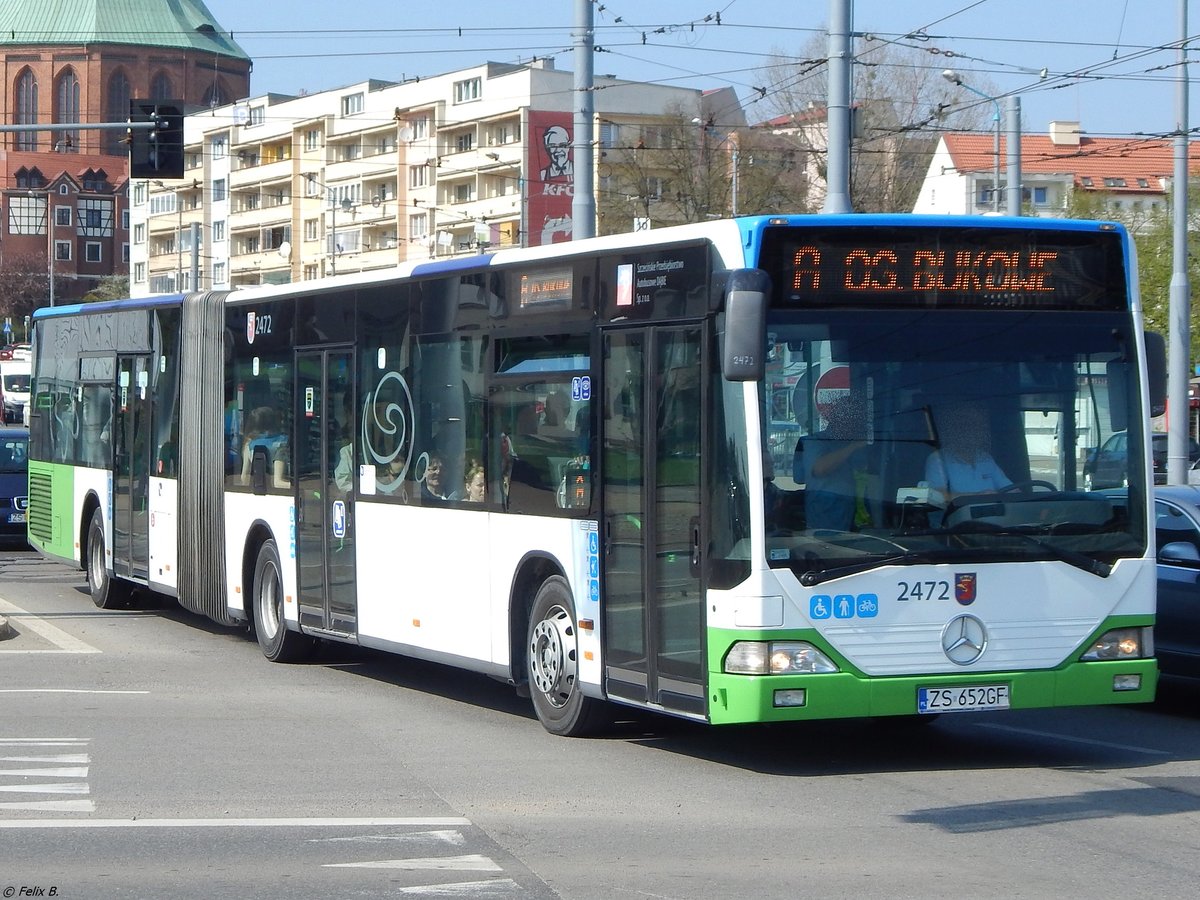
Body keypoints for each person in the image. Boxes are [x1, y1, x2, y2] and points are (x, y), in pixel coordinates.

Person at [801, 392, 871, 532]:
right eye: (847, 416)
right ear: (835, 417)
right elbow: (819, 468)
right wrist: (852, 447)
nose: (853, 422)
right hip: (824, 524)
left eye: (857, 418)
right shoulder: (814, 441)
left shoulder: (861, 444)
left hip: (856, 521)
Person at [924, 403, 1012, 502]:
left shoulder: (986, 458)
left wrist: (1016, 494)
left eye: (977, 426)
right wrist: (976, 497)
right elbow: (936, 495)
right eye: (966, 426)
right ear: (954, 430)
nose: (973, 431)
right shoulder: (938, 459)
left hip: (993, 511)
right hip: (957, 512)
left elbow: (1008, 488)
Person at [240, 406, 289, 487]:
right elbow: (278, 483)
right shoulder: (282, 442)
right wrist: (298, 486)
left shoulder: (248, 444)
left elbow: (244, 478)